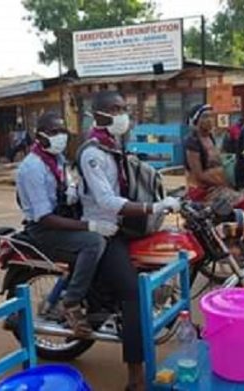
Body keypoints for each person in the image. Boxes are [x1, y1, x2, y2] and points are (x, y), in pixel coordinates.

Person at [78, 90, 181, 391]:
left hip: (123, 226)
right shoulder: (92, 152)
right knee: (135, 295)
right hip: (103, 230)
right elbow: (107, 201)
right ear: (98, 114)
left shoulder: (115, 145)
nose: (123, 114)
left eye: (124, 108)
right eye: (115, 109)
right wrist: (154, 208)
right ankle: (135, 379)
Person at [16, 111, 115, 337]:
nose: (60, 136)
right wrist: (90, 226)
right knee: (93, 242)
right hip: (44, 229)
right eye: (53, 132)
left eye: (62, 131)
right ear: (39, 135)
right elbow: (44, 217)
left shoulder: (57, 159)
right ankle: (71, 302)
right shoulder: (33, 167)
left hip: (62, 218)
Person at [184, 104, 244, 206]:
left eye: (211, 116)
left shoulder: (210, 137)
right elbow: (199, 175)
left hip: (217, 185)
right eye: (205, 117)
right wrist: (224, 184)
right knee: (243, 202)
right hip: (202, 190)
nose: (210, 119)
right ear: (196, 121)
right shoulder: (193, 142)